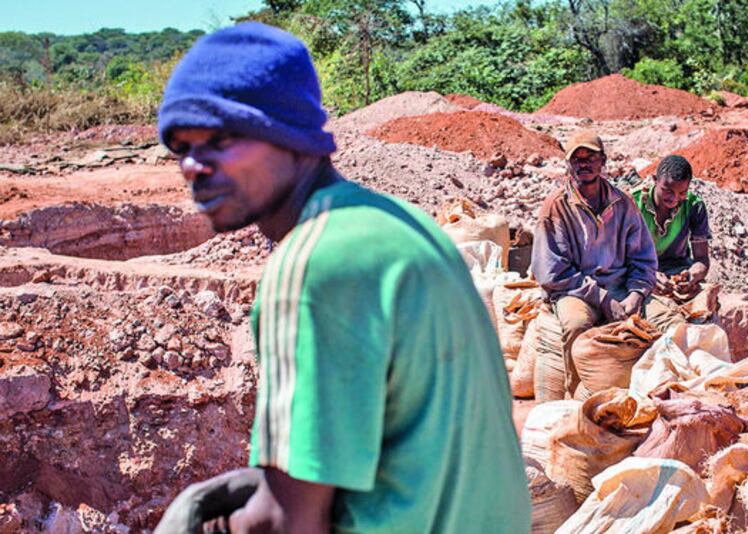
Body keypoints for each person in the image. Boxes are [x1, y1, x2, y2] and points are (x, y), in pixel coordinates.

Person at [153, 22, 530, 534]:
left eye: (220, 138)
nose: (194, 165)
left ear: (287, 132)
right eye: (181, 147)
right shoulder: (404, 225)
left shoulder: (312, 264)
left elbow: (290, 525)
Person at [531, 130, 657, 398]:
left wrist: (636, 294)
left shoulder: (623, 203)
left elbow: (643, 258)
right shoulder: (556, 207)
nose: (584, 164)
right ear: (568, 164)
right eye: (577, 159)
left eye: (590, 157)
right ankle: (579, 399)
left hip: (620, 286)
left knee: (661, 323)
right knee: (576, 325)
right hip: (575, 291)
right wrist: (602, 299)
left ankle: (648, 397)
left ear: (603, 161)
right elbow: (553, 272)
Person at [632, 155, 715, 332]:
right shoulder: (633, 204)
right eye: (668, 191)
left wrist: (691, 275)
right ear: (655, 180)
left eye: (682, 192)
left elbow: (702, 259)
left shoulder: (694, 207)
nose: (675, 198)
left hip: (675, 270)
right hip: (638, 271)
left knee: (706, 314)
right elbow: (618, 256)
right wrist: (650, 275)